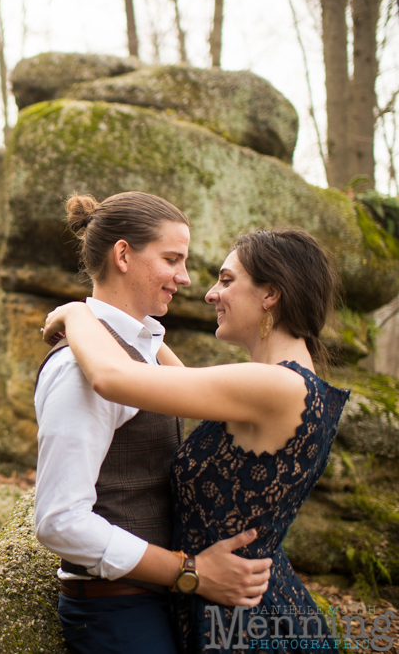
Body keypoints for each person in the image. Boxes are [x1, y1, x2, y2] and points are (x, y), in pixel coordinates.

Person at [42, 226, 348, 654]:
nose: (209, 293)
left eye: (226, 280)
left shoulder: (276, 386)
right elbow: (175, 380)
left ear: (270, 294)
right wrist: (132, 319)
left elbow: (114, 377)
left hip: (242, 616)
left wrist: (78, 313)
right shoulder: (288, 385)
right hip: (236, 601)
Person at [33, 192, 272, 654]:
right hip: (117, 613)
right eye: (172, 259)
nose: (184, 278)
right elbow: (59, 521)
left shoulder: (141, 350)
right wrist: (189, 571)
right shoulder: (79, 371)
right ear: (123, 254)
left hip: (157, 601)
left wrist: (81, 313)